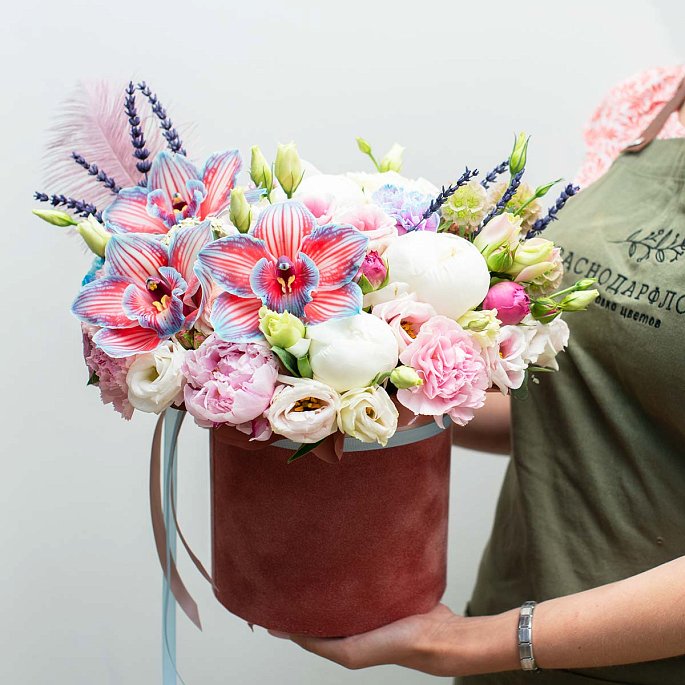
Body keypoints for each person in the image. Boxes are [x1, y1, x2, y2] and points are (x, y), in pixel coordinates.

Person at [269, 65, 685, 683]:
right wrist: (346, 399)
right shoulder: (648, 104)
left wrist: (465, 645)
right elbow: (586, 413)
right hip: (513, 614)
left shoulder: (480, 643)